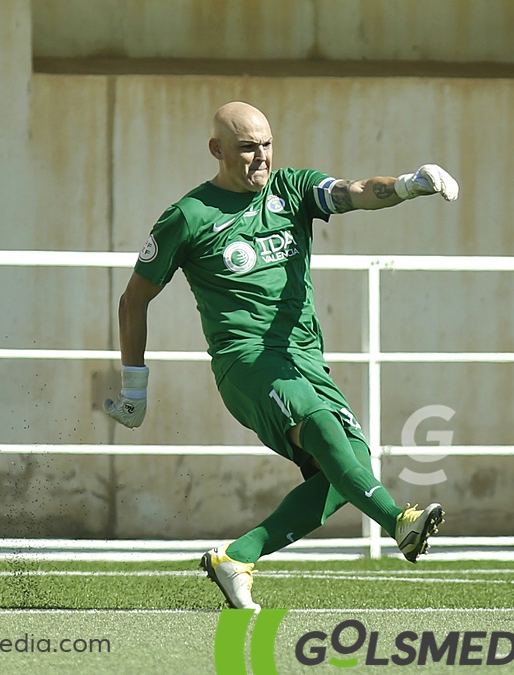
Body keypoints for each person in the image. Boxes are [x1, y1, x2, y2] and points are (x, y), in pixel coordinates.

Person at [103, 101, 456, 610]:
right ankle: (398, 520)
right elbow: (133, 300)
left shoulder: (291, 189)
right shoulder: (189, 216)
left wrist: (407, 184)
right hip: (245, 361)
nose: (260, 157)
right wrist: (134, 388)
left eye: (266, 145)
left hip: (304, 356)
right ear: (217, 150)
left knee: (350, 465)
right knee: (319, 426)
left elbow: (353, 192)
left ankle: (237, 557)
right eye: (247, 148)